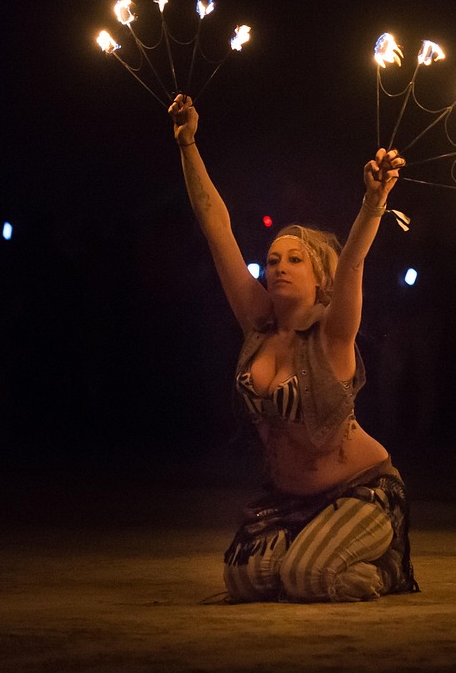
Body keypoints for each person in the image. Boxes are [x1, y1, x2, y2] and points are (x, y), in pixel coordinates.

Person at [169, 93, 419, 602]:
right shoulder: (257, 324)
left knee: (307, 578)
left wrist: (373, 203)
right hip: (287, 500)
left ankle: (385, 568)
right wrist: (188, 144)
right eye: (273, 259)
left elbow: (353, 262)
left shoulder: (333, 334)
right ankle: (313, 550)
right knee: (246, 581)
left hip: (359, 490)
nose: (279, 266)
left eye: (295, 259)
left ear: (321, 276)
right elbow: (216, 226)